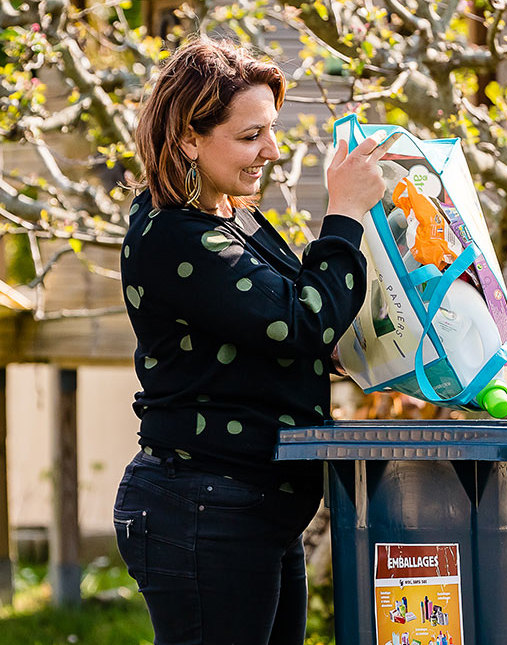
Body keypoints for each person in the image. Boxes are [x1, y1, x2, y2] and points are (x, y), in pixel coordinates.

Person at [113, 37, 387, 645]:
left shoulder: (233, 217)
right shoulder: (174, 236)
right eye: (250, 135)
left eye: (271, 129)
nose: (274, 149)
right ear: (189, 138)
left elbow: (285, 335)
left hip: (251, 504)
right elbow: (301, 321)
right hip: (203, 505)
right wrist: (342, 213)